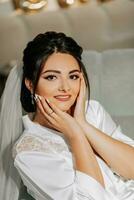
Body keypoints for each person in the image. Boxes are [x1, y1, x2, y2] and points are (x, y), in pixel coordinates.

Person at [0, 31, 134, 200]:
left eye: (73, 76)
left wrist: (83, 124)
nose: (65, 87)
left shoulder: (92, 111)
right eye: (51, 77)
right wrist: (76, 134)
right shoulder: (29, 151)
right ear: (30, 83)